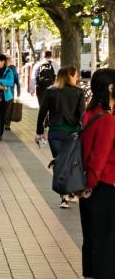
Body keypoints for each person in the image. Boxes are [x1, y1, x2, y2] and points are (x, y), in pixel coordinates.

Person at [81, 68, 115, 279]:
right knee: (105, 242)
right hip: (103, 186)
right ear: (111, 88)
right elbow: (99, 157)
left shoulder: (89, 112)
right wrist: (90, 185)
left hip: (89, 184)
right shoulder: (107, 120)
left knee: (91, 239)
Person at [38, 65, 85, 207]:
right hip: (72, 134)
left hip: (55, 133)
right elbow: (81, 114)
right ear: (70, 76)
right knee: (71, 162)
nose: (77, 78)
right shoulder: (78, 92)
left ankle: (64, 196)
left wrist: (39, 131)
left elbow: (42, 112)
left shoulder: (50, 91)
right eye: (75, 75)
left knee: (59, 163)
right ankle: (71, 191)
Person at [0, 54, 18, 140]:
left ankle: (0, 133)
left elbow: (10, 82)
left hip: (5, 97)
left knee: (3, 115)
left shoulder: (9, 71)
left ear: (3, 61)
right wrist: (0, 86)